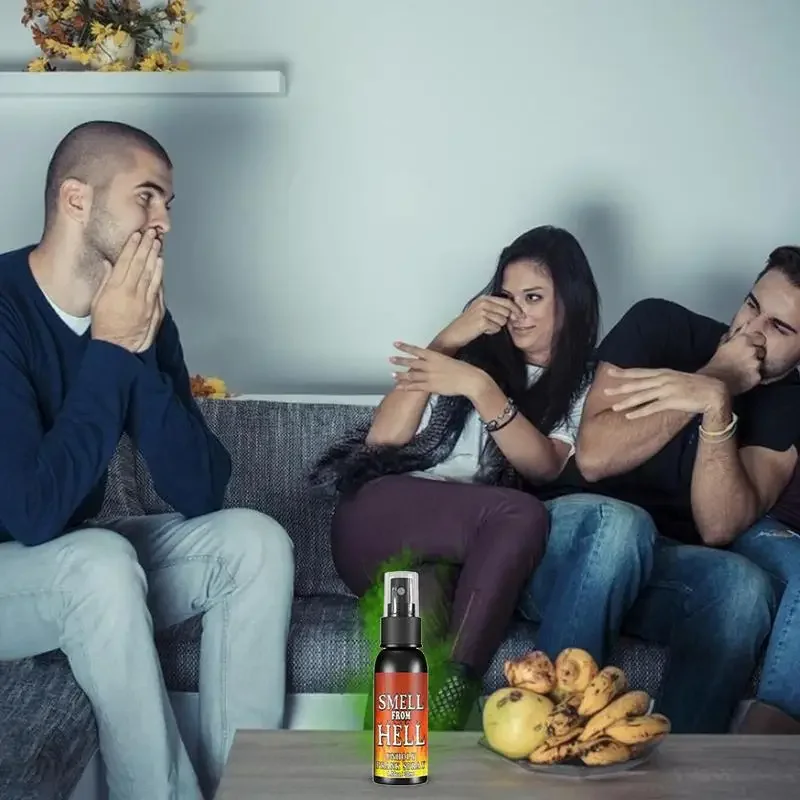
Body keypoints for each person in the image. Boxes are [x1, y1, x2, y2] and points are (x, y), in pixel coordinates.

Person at [0, 121, 295, 800]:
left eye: (168, 202)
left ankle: (247, 789)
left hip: (69, 561)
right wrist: (109, 350)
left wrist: (136, 349)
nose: (164, 221)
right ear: (77, 199)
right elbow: (32, 514)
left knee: (255, 542)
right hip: (26, 565)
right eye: (147, 197)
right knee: (98, 559)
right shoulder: (6, 308)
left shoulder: (139, 316)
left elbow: (201, 490)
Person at [311, 225, 657, 730]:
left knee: (420, 602)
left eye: (533, 298)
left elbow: (544, 464)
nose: (517, 312)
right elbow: (383, 439)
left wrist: (481, 390)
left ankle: (399, 746)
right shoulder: (467, 356)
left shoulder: (584, 383)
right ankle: (461, 688)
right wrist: (448, 341)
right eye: (507, 297)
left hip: (452, 550)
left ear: (571, 301)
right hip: (378, 517)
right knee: (520, 513)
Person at [557, 245, 800, 734]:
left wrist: (716, 404)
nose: (751, 330)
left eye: (779, 327)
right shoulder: (659, 325)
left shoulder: (788, 403)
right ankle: (553, 729)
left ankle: (687, 766)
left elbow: (718, 527)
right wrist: (713, 376)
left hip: (663, 566)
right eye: (752, 305)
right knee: (623, 525)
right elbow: (595, 457)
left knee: (743, 589)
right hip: (576, 538)